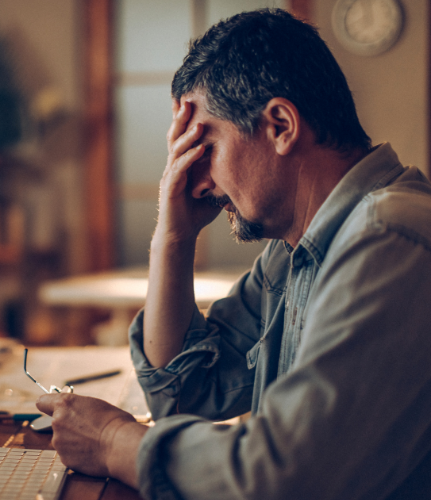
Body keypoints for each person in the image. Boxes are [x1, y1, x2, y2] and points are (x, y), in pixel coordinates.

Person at [36, 8, 431, 500]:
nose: (194, 182)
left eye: (204, 148)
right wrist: (173, 239)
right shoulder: (292, 255)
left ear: (281, 125)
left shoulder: (389, 238)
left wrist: (114, 441)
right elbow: (183, 395)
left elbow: (284, 477)